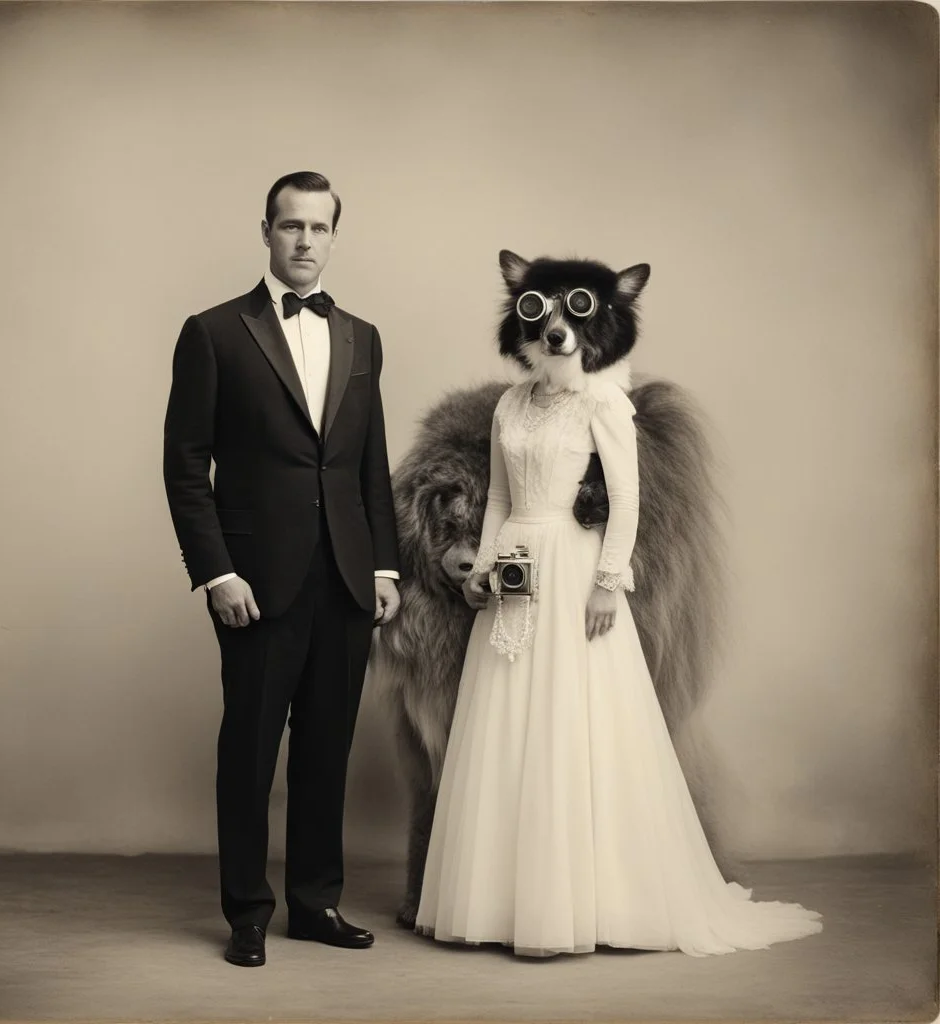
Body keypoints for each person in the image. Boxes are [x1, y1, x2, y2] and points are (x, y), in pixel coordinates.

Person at [414, 255, 822, 957]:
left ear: (597, 325)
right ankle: (508, 901)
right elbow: (506, 500)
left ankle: (587, 900)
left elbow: (627, 498)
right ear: (526, 322)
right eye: (543, 315)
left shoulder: (605, 404)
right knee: (508, 717)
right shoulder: (512, 405)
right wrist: (482, 568)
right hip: (517, 556)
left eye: (575, 317)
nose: (558, 333)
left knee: (574, 721)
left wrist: (608, 582)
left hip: (575, 565)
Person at [163, 171, 401, 968]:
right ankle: (248, 913)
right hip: (255, 585)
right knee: (251, 750)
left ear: (335, 236)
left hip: (344, 576)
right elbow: (185, 465)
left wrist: (385, 568)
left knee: (327, 749)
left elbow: (370, 464)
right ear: (265, 231)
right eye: (290, 226)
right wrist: (215, 573)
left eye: (319, 228)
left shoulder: (363, 337)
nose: (305, 241)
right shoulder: (214, 331)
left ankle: (314, 903)